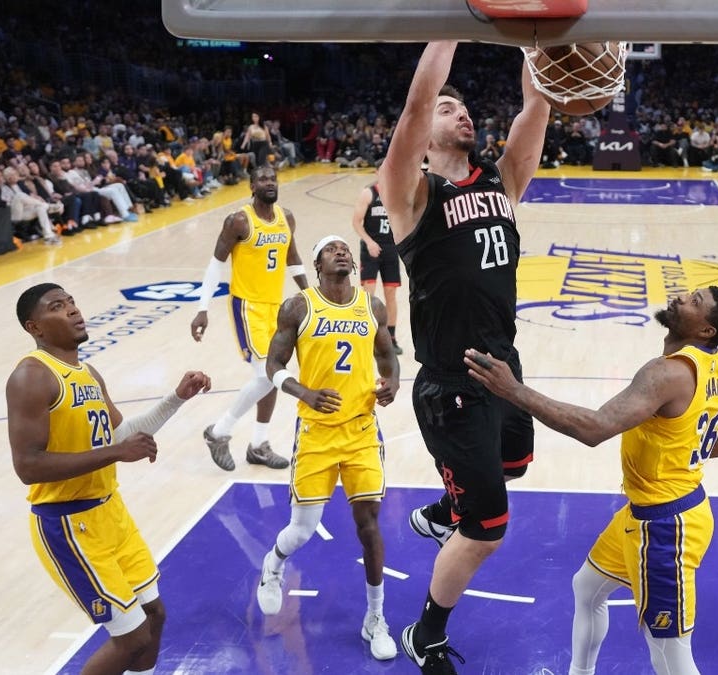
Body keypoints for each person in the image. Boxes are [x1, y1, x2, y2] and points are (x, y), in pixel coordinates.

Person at [465, 287, 718, 675]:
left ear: (705, 331)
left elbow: (595, 428)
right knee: (587, 587)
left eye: (695, 302)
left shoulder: (666, 373)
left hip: (665, 528)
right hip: (655, 512)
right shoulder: (715, 365)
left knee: (670, 657)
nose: (681, 296)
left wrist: (514, 391)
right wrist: (682, 450)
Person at [377, 41, 549, 672]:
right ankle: (426, 633)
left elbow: (535, 107)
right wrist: (447, 26)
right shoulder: (409, 193)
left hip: (505, 367)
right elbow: (418, 100)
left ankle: (444, 508)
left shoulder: (502, 182)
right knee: (487, 527)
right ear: (426, 136)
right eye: (450, 111)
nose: (462, 115)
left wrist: (539, 47)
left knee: (517, 465)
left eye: (467, 109)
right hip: (452, 384)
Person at [6, 283, 211, 675]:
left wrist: (177, 398)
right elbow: (27, 466)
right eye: (57, 307)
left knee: (154, 614)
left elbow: (118, 434)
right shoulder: (32, 376)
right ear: (36, 328)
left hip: (110, 513)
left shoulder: (87, 372)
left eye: (72, 301)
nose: (72, 310)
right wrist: (116, 453)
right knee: (131, 637)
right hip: (68, 523)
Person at [258, 234, 401, 660]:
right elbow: (272, 366)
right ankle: (273, 565)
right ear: (318, 265)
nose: (340, 251)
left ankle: (375, 617)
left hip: (360, 431)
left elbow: (388, 355)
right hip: (316, 433)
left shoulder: (371, 305)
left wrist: (392, 382)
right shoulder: (299, 306)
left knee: (369, 525)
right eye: (330, 249)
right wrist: (304, 392)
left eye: (344, 248)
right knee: (301, 531)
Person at [191, 165, 308, 471]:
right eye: (262, 179)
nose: (269, 183)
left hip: (276, 307)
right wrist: (202, 308)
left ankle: (258, 444)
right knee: (266, 374)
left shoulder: (287, 218)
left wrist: (311, 295)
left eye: (273, 178)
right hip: (247, 307)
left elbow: (292, 258)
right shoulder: (239, 221)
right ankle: (219, 432)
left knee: (273, 373)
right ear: (252, 186)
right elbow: (215, 265)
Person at [350, 182, 404, 355]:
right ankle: (366, 336)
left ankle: (391, 338)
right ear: (377, 173)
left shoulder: (396, 193)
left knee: (391, 295)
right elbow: (356, 222)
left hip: (390, 249)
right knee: (368, 295)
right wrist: (369, 242)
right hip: (370, 248)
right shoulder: (369, 193)